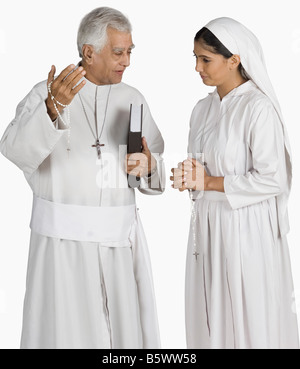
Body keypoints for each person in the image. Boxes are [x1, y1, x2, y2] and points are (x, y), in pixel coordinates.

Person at [0, 7, 165, 349]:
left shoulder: (133, 98)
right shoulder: (45, 92)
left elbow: (153, 166)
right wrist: (52, 108)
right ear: (89, 53)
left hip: (119, 245)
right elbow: (13, 149)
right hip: (62, 248)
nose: (127, 61)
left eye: (130, 51)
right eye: (119, 52)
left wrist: (147, 166)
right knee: (65, 335)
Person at [171, 17, 299, 349]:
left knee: (247, 316)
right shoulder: (201, 109)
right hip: (208, 229)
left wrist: (209, 181)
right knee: (209, 318)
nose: (197, 67)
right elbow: (201, 166)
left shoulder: (258, 107)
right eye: (195, 58)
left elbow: (274, 178)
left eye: (205, 59)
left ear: (234, 60)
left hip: (247, 230)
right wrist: (187, 175)